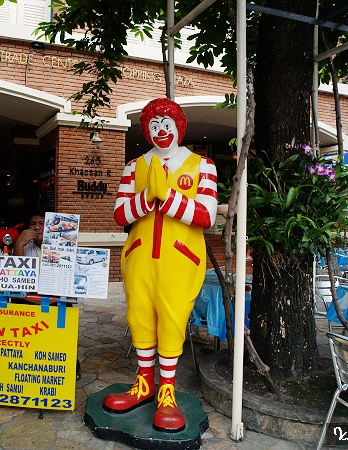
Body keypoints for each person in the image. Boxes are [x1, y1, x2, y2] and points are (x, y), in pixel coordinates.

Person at [104, 98, 217, 432]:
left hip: (180, 259)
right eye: (154, 126)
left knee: (172, 320)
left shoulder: (202, 166)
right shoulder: (134, 166)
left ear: (179, 128)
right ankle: (143, 384)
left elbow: (207, 216)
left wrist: (167, 197)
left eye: (167, 125)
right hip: (139, 256)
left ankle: (166, 391)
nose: (161, 131)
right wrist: (148, 198)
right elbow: (120, 215)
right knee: (139, 317)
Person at [11, 208, 82, 380]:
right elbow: (16, 277)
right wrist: (18, 245)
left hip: (54, 299)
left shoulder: (63, 245)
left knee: (64, 324)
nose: (37, 228)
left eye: (41, 224)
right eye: (33, 224)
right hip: (28, 299)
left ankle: (71, 366)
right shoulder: (24, 246)